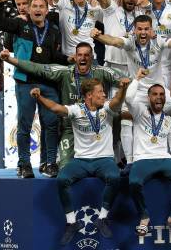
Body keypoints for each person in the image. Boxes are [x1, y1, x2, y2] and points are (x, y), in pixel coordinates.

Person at [91, 14, 171, 161]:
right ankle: (131, 162)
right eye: (139, 29)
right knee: (125, 120)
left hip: (159, 91)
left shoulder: (158, 41)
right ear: (134, 30)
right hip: (137, 91)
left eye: (146, 29)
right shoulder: (129, 43)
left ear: (151, 29)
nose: (143, 32)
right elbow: (113, 40)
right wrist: (98, 36)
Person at [31, 77, 129, 244]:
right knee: (62, 179)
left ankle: (102, 218)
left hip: (103, 160)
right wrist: (39, 98)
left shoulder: (107, 109)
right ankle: (71, 222)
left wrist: (123, 88)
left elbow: (117, 100)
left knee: (114, 177)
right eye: (100, 92)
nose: (104, 94)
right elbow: (55, 108)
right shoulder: (76, 110)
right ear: (89, 95)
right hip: (81, 161)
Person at [0, 42, 123, 169]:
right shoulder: (65, 72)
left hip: (97, 126)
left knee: (118, 114)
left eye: (86, 55)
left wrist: (129, 83)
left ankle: (118, 156)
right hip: (70, 128)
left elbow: (125, 79)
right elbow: (37, 68)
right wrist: (10, 59)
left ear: (92, 57)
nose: (83, 58)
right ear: (75, 57)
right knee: (65, 169)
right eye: (79, 55)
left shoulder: (101, 72)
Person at [0, 0, 68, 178]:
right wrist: (0, 3)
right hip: (25, 81)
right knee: (25, 125)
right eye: (34, 6)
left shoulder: (53, 31)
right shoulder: (20, 25)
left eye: (41, 6)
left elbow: (54, 56)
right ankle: (24, 164)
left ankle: (49, 163)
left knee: (51, 124)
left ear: (46, 10)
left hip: (48, 83)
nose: (37, 9)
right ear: (29, 9)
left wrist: (68, 59)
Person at [124, 70, 171, 239]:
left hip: (164, 159)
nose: (159, 97)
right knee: (134, 182)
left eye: (162, 94)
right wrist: (137, 79)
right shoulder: (139, 113)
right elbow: (128, 98)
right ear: (149, 98)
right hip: (143, 159)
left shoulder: (170, 120)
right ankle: (144, 217)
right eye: (155, 94)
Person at [95, 0, 140, 167]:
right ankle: (110, 157)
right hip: (111, 69)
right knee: (109, 116)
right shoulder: (112, 9)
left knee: (127, 116)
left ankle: (126, 159)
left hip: (132, 72)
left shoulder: (141, 18)